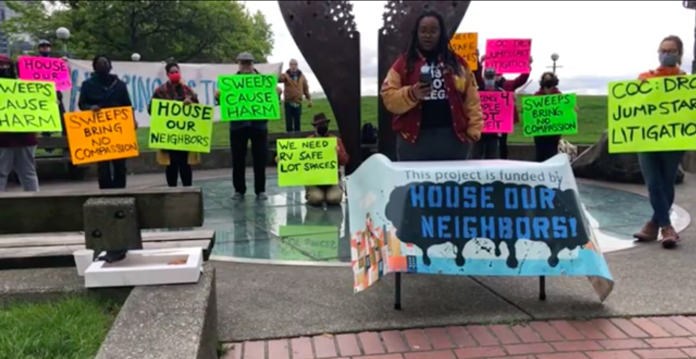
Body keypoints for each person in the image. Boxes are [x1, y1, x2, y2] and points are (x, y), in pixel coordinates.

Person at [380, 9, 483, 161]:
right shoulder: (402, 64)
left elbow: (472, 99)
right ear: (417, 33)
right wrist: (412, 94)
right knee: (415, 185)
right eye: (423, 31)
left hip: (453, 140)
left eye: (433, 31)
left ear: (441, 33)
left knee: (450, 185)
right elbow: (388, 97)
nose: (428, 35)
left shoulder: (458, 63)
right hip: (413, 142)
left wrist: (473, 131)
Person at [633, 35, 686, 249]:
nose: (666, 54)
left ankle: (654, 225)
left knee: (666, 183)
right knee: (653, 183)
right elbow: (633, 105)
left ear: (679, 54)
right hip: (646, 139)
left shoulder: (685, 82)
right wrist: (639, 89)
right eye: (663, 50)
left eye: (671, 51)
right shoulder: (645, 77)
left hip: (672, 139)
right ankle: (666, 226)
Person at [214, 52, 281, 200]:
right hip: (238, 127)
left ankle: (260, 190)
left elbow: (274, 104)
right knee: (238, 159)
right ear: (238, 64)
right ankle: (239, 189)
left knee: (260, 158)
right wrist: (218, 96)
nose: (246, 66)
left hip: (259, 126)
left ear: (253, 64)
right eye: (243, 63)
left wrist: (277, 94)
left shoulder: (264, 81)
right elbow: (225, 105)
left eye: (248, 63)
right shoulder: (230, 83)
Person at [77, 55, 136, 189]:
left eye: (105, 63)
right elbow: (82, 104)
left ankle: (120, 190)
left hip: (118, 127)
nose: (103, 65)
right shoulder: (88, 85)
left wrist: (132, 120)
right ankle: (105, 190)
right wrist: (91, 108)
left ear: (110, 66)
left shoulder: (119, 85)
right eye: (100, 63)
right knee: (103, 164)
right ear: (94, 67)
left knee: (120, 163)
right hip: (99, 129)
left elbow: (127, 104)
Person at [148, 62, 200, 187]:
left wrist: (191, 103)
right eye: (172, 72)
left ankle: (188, 189)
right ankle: (172, 189)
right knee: (171, 164)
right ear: (167, 74)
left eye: (177, 71)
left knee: (185, 164)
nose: (175, 74)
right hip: (169, 133)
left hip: (184, 133)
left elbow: (198, 109)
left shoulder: (187, 90)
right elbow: (151, 109)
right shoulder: (160, 91)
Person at [475, 53, 532, 160]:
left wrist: (527, 65)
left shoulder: (508, 85)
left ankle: (503, 161)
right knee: (481, 147)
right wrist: (479, 61)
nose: (494, 78)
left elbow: (522, 79)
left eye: (496, 75)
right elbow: (476, 75)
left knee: (502, 144)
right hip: (484, 122)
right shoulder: (482, 86)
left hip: (502, 121)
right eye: (492, 76)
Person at [0, 55, 39, 192]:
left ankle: (35, 202)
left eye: (5, 65)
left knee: (28, 173)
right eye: (0, 66)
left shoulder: (24, 85)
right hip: (3, 139)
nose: (3, 68)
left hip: (24, 138)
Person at [305, 113, 349, 206]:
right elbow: (299, 160)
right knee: (315, 199)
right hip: (314, 181)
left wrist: (338, 153)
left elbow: (345, 160)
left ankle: (331, 192)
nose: (322, 127)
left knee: (334, 199)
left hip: (332, 180)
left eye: (324, 124)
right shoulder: (307, 141)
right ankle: (312, 192)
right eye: (319, 125)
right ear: (315, 127)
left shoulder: (335, 140)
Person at [531, 72, 563, 162]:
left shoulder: (558, 95)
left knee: (552, 155)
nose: (548, 81)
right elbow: (530, 110)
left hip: (554, 132)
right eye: (546, 79)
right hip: (539, 131)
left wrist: (572, 108)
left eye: (549, 79)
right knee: (539, 156)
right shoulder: (536, 95)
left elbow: (565, 109)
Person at [472, 67, 503, 159]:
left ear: (495, 78)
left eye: (491, 77)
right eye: (487, 77)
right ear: (484, 77)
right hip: (479, 131)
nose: (489, 80)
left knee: (491, 157)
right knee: (477, 157)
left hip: (493, 132)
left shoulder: (501, 93)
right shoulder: (477, 92)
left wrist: (511, 101)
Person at [279, 59, 312, 132]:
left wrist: (309, 99)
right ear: (289, 65)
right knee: (289, 122)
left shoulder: (302, 76)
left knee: (297, 122)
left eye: (295, 64)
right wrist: (278, 73)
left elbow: (305, 88)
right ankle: (289, 137)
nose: (293, 66)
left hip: (298, 102)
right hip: (288, 102)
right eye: (292, 64)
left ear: (297, 65)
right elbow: (279, 79)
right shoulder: (285, 75)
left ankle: (298, 138)